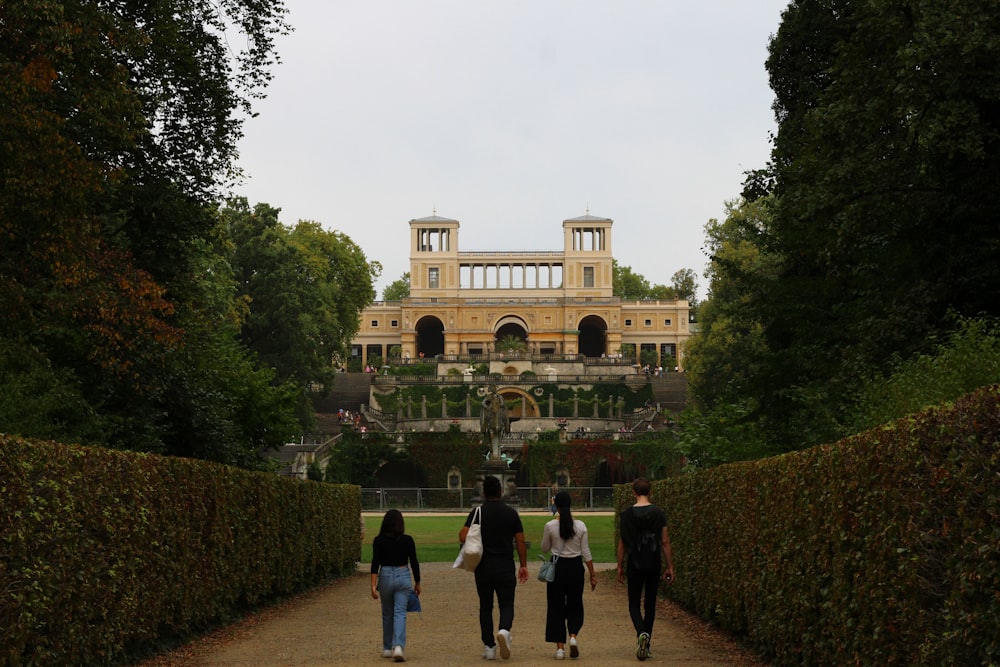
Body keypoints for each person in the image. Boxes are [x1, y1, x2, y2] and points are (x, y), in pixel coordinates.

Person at [459, 475, 529, 660]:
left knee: (485, 606)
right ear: (501, 491)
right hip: (505, 565)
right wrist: (523, 565)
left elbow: (462, 536)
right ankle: (504, 630)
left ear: (483, 493)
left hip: (484, 567)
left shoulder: (477, 513)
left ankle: (489, 646)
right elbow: (520, 541)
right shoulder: (511, 513)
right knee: (506, 603)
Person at [616, 477, 675, 662]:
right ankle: (646, 644)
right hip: (653, 560)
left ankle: (641, 633)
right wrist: (670, 566)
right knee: (650, 604)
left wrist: (619, 565)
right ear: (650, 491)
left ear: (633, 492)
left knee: (633, 603)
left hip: (635, 561)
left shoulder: (626, 515)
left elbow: (622, 543)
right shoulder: (659, 513)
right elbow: (665, 542)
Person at [541, 491, 598, 660]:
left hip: (557, 567)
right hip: (575, 567)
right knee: (575, 603)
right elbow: (586, 552)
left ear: (556, 506)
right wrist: (593, 574)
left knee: (555, 605)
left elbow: (544, 548)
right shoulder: (580, 526)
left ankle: (560, 648)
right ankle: (573, 636)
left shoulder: (550, 526)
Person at [371, 509, 421, 662]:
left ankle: (387, 647)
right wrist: (418, 582)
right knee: (400, 612)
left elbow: (375, 563)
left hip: (385, 575)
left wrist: (373, 585)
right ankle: (398, 646)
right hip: (402, 574)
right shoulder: (408, 540)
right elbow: (414, 562)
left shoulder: (378, 540)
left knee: (387, 612)